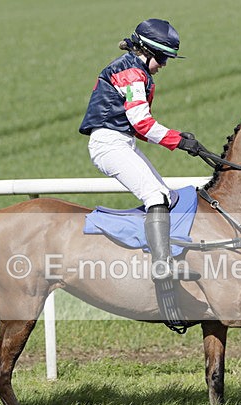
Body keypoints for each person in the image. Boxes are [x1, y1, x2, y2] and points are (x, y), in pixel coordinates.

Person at [79, 18, 205, 281]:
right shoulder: (133, 74)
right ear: (146, 51)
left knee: (167, 198)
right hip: (110, 144)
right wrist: (179, 141)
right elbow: (143, 124)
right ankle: (162, 265)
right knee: (156, 196)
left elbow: (136, 128)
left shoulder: (135, 69)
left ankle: (157, 252)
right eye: (162, 57)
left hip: (120, 141)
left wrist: (180, 138)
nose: (164, 65)